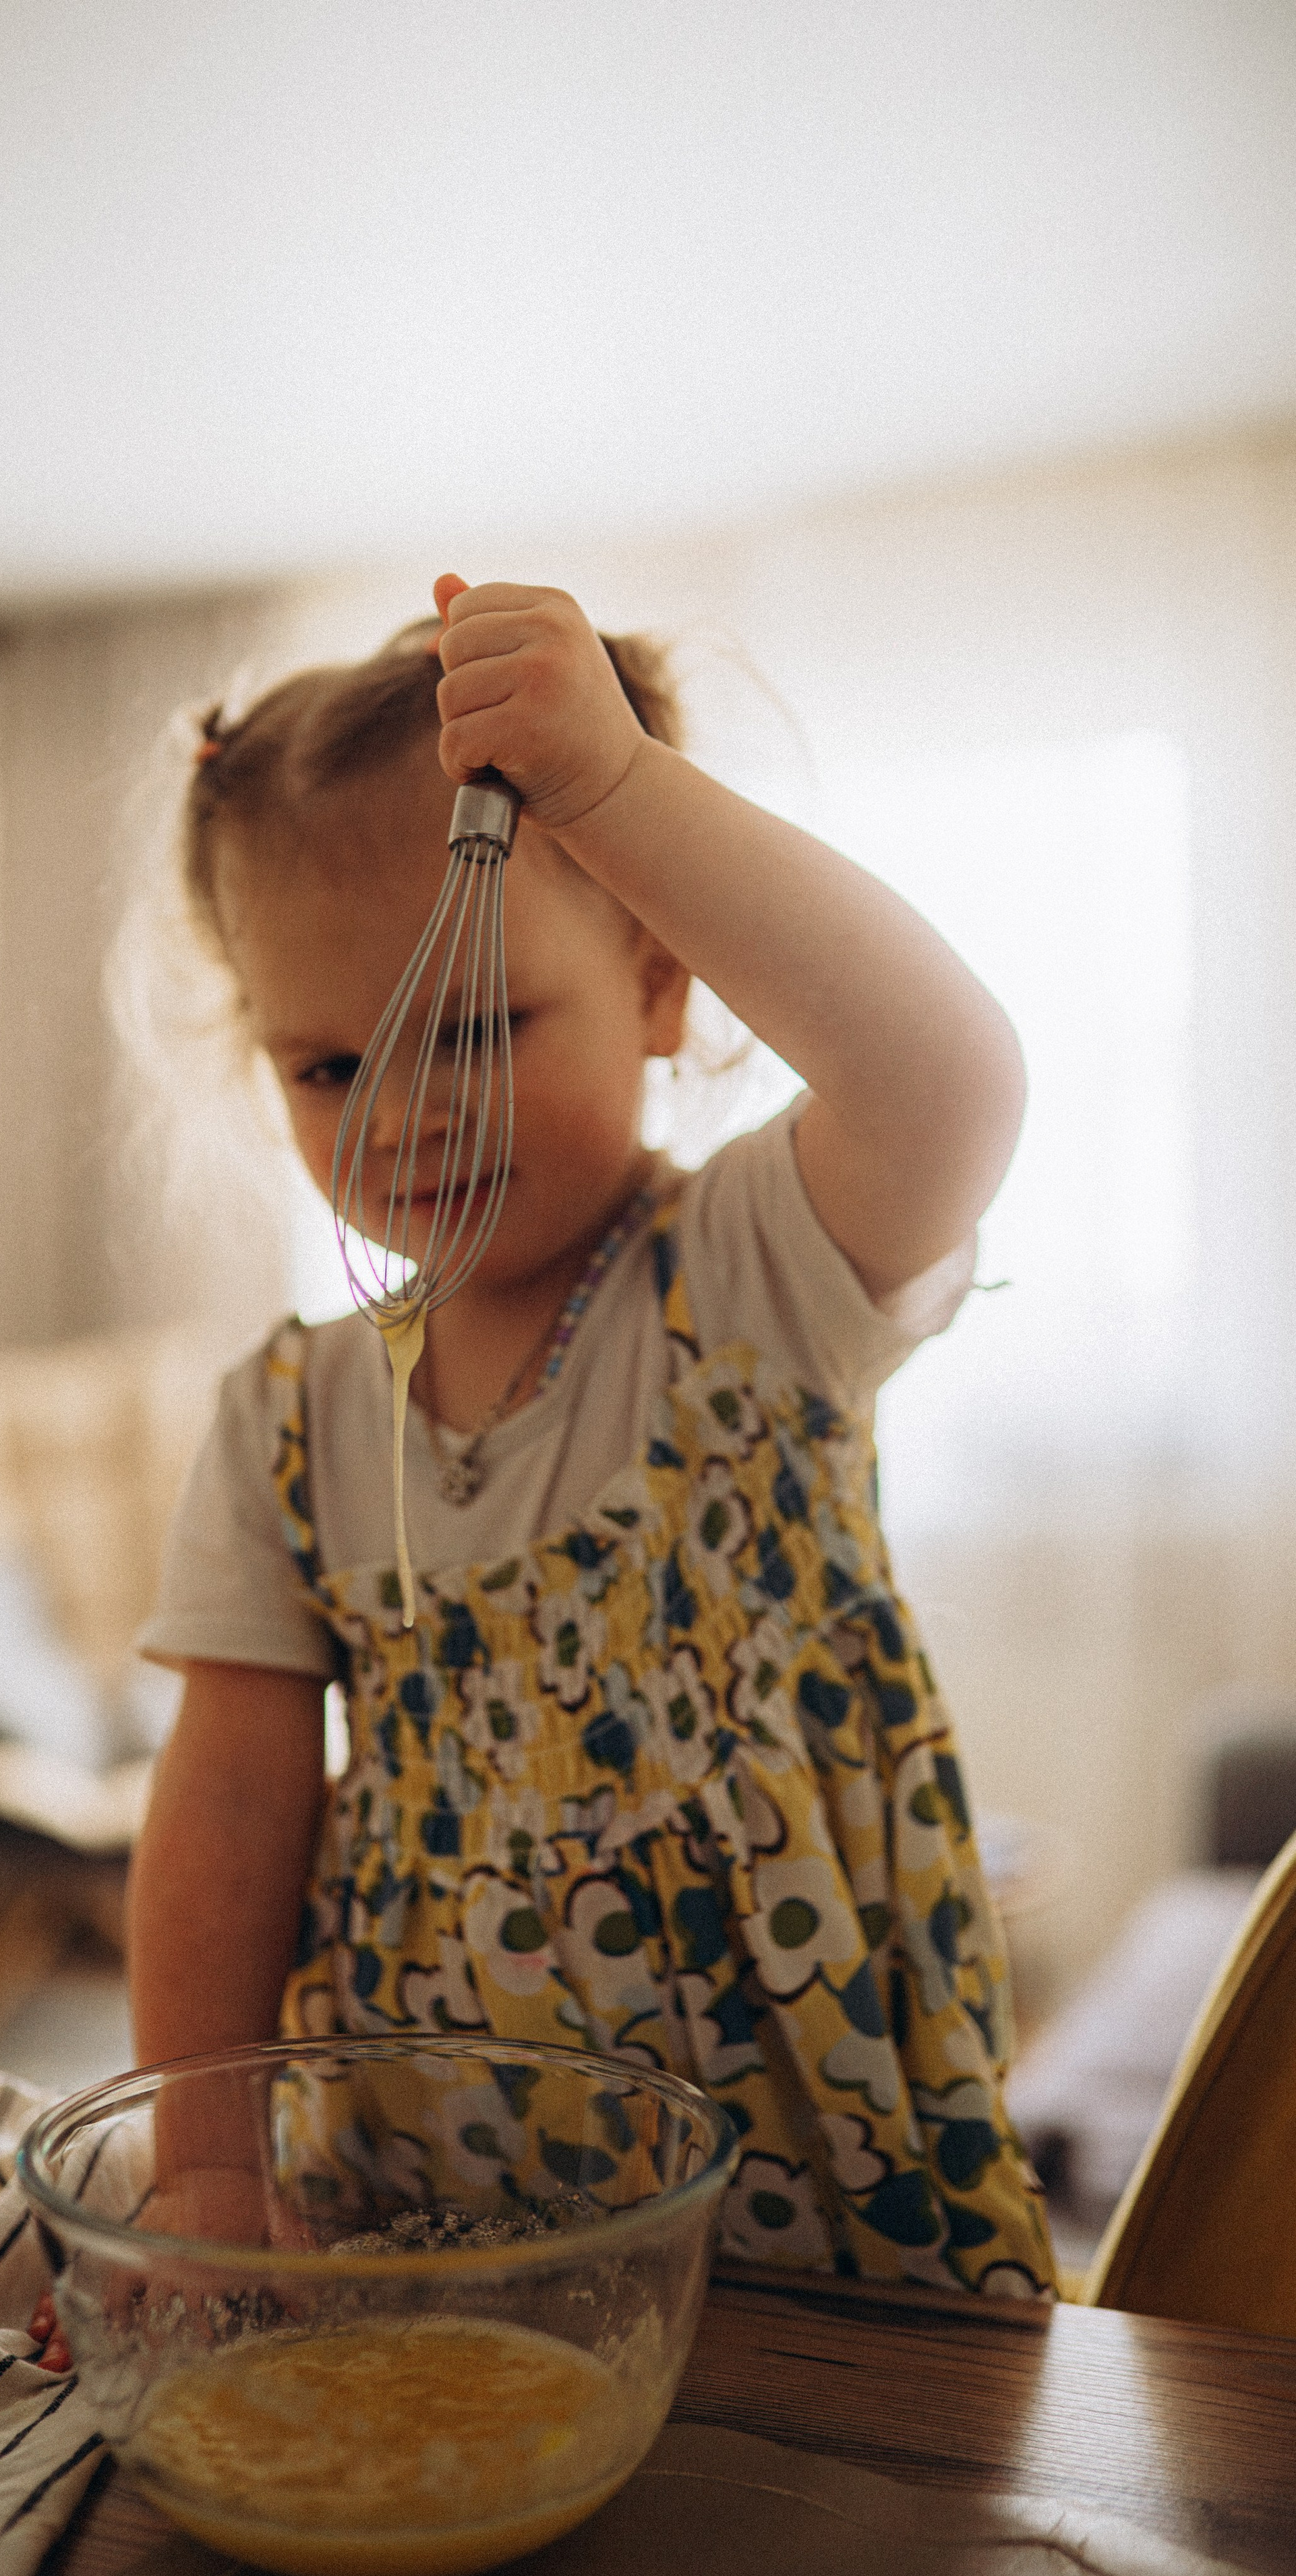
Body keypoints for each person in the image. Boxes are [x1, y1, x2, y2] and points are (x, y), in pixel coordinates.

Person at [124, 574, 1055, 2294]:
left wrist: (612, 789)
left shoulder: (756, 1276)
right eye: (325, 1068)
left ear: (656, 982)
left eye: (468, 1023)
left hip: (816, 2223)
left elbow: (950, 1079)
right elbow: (232, 1811)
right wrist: (200, 2166)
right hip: (419, 2220)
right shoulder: (286, 1421)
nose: (398, 1114)